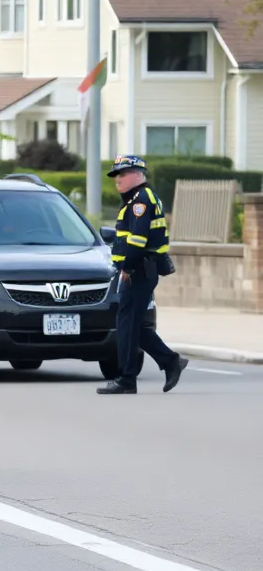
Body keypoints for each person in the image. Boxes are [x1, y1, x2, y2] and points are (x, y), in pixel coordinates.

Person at [99, 155, 188, 395]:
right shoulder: (135, 199)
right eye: (116, 174)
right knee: (133, 325)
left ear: (138, 175)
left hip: (138, 270)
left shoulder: (141, 200)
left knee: (127, 324)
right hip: (138, 269)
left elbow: (138, 239)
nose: (117, 179)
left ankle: (127, 379)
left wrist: (127, 267)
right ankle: (170, 361)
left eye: (122, 173)